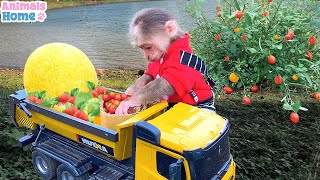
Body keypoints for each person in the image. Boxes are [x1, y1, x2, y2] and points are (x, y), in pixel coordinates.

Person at [115, 8, 216, 115]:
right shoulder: (161, 50)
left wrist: (137, 98)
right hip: (175, 102)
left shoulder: (183, 57)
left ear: (170, 29)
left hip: (197, 105)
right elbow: (150, 73)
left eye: (148, 47)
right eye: (142, 48)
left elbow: (167, 84)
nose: (146, 56)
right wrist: (135, 87)